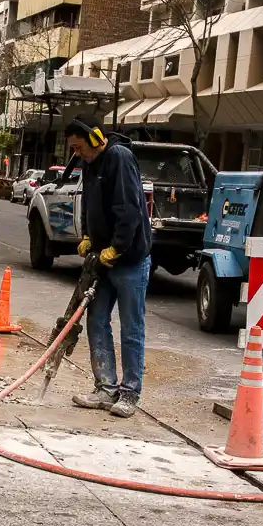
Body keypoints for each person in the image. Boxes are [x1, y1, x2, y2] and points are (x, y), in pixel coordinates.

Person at [63, 116, 152, 418]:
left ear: (94, 138)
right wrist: (89, 235)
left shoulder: (119, 157)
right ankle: (105, 387)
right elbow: (89, 202)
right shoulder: (89, 163)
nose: (77, 153)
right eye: (73, 149)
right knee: (96, 320)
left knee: (131, 327)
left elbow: (129, 209)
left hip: (130, 261)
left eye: (79, 147)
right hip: (102, 259)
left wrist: (118, 247)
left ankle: (129, 392)